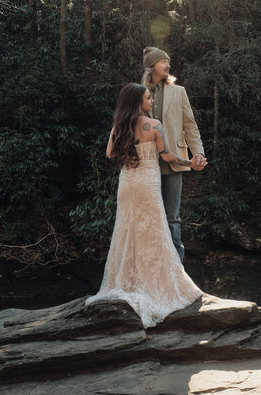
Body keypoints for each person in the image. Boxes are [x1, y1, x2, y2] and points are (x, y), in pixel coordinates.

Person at [84, 83, 204, 328]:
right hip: (148, 183)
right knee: (154, 231)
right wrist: (191, 164)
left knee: (127, 230)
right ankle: (155, 284)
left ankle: (127, 283)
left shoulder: (119, 126)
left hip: (128, 183)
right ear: (138, 101)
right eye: (148, 99)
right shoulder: (154, 125)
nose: (151, 102)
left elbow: (109, 154)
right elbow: (168, 157)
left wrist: (126, 155)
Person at [142, 47, 206, 262]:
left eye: (168, 61)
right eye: (163, 62)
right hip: (146, 163)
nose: (168, 65)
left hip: (174, 161)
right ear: (152, 66)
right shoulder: (138, 91)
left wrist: (198, 154)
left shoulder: (179, 92)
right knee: (149, 218)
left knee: (172, 218)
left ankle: (176, 270)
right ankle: (152, 267)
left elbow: (190, 125)